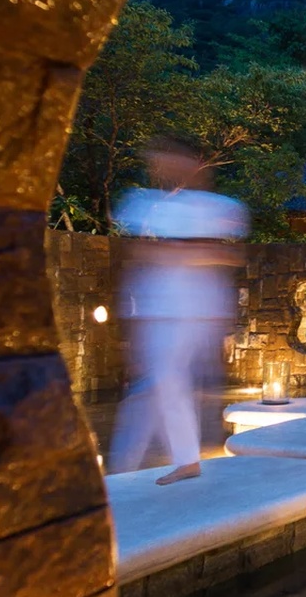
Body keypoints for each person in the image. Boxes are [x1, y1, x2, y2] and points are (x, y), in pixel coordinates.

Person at [105, 136, 250, 484]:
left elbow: (229, 255)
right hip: (155, 308)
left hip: (194, 311)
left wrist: (179, 254)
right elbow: (135, 258)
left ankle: (181, 460)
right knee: (150, 389)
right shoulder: (145, 203)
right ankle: (121, 468)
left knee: (166, 381)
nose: (167, 166)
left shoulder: (216, 207)